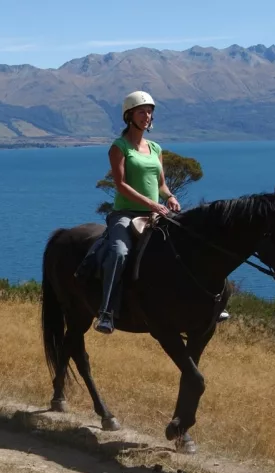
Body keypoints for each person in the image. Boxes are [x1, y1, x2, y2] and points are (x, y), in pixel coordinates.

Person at [93, 91, 181, 334]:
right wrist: (151, 204)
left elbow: (161, 184)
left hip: (155, 215)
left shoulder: (155, 148)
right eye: (142, 111)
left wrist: (170, 197)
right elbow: (120, 184)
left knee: (187, 245)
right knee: (119, 253)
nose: (147, 115)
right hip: (126, 214)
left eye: (150, 111)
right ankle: (106, 312)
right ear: (129, 116)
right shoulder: (119, 147)